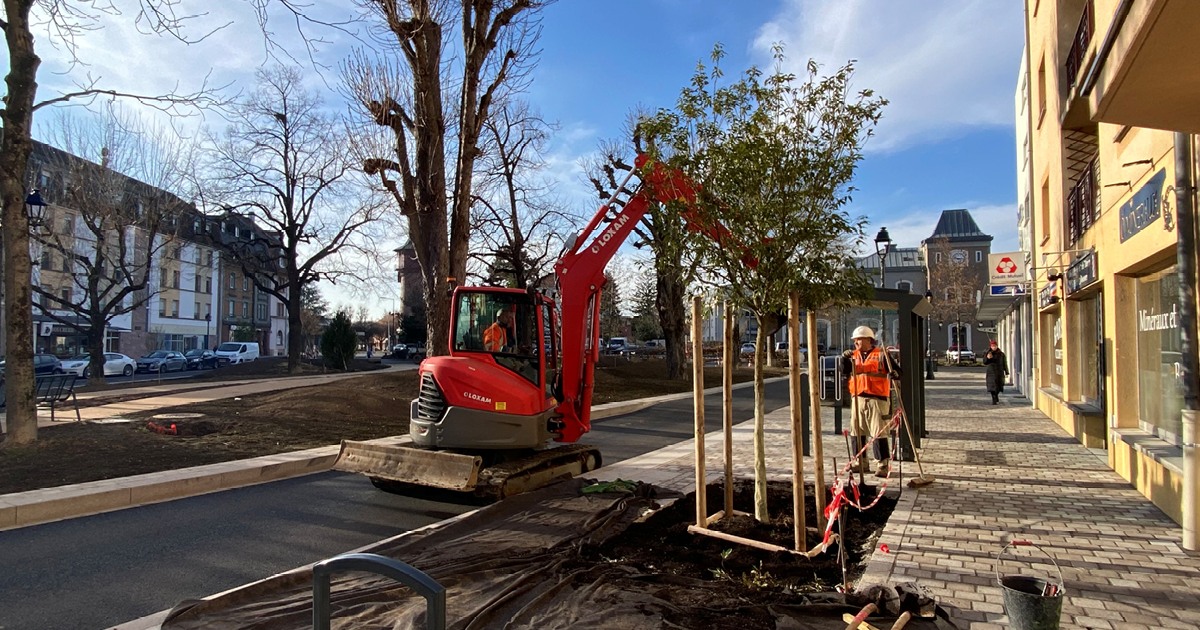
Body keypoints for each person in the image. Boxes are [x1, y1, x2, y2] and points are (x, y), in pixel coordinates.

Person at [840, 326, 900, 478]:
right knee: (856, 431)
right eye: (855, 340)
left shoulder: (881, 355)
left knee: (878, 432)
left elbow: (899, 372)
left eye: (859, 339)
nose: (856, 342)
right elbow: (844, 371)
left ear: (869, 340)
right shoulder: (852, 356)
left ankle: (882, 464)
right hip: (858, 398)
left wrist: (894, 374)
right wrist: (843, 358)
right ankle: (860, 462)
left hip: (877, 399)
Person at [984, 340, 1009, 405]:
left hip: (999, 372)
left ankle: (996, 396)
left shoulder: (1001, 354)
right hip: (991, 372)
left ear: (997, 346)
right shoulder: (988, 353)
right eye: (992, 346)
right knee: (992, 387)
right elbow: (985, 362)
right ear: (990, 346)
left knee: (999, 386)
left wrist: (1006, 371)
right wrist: (988, 358)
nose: (994, 347)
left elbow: (1004, 363)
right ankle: (994, 399)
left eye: (995, 346)